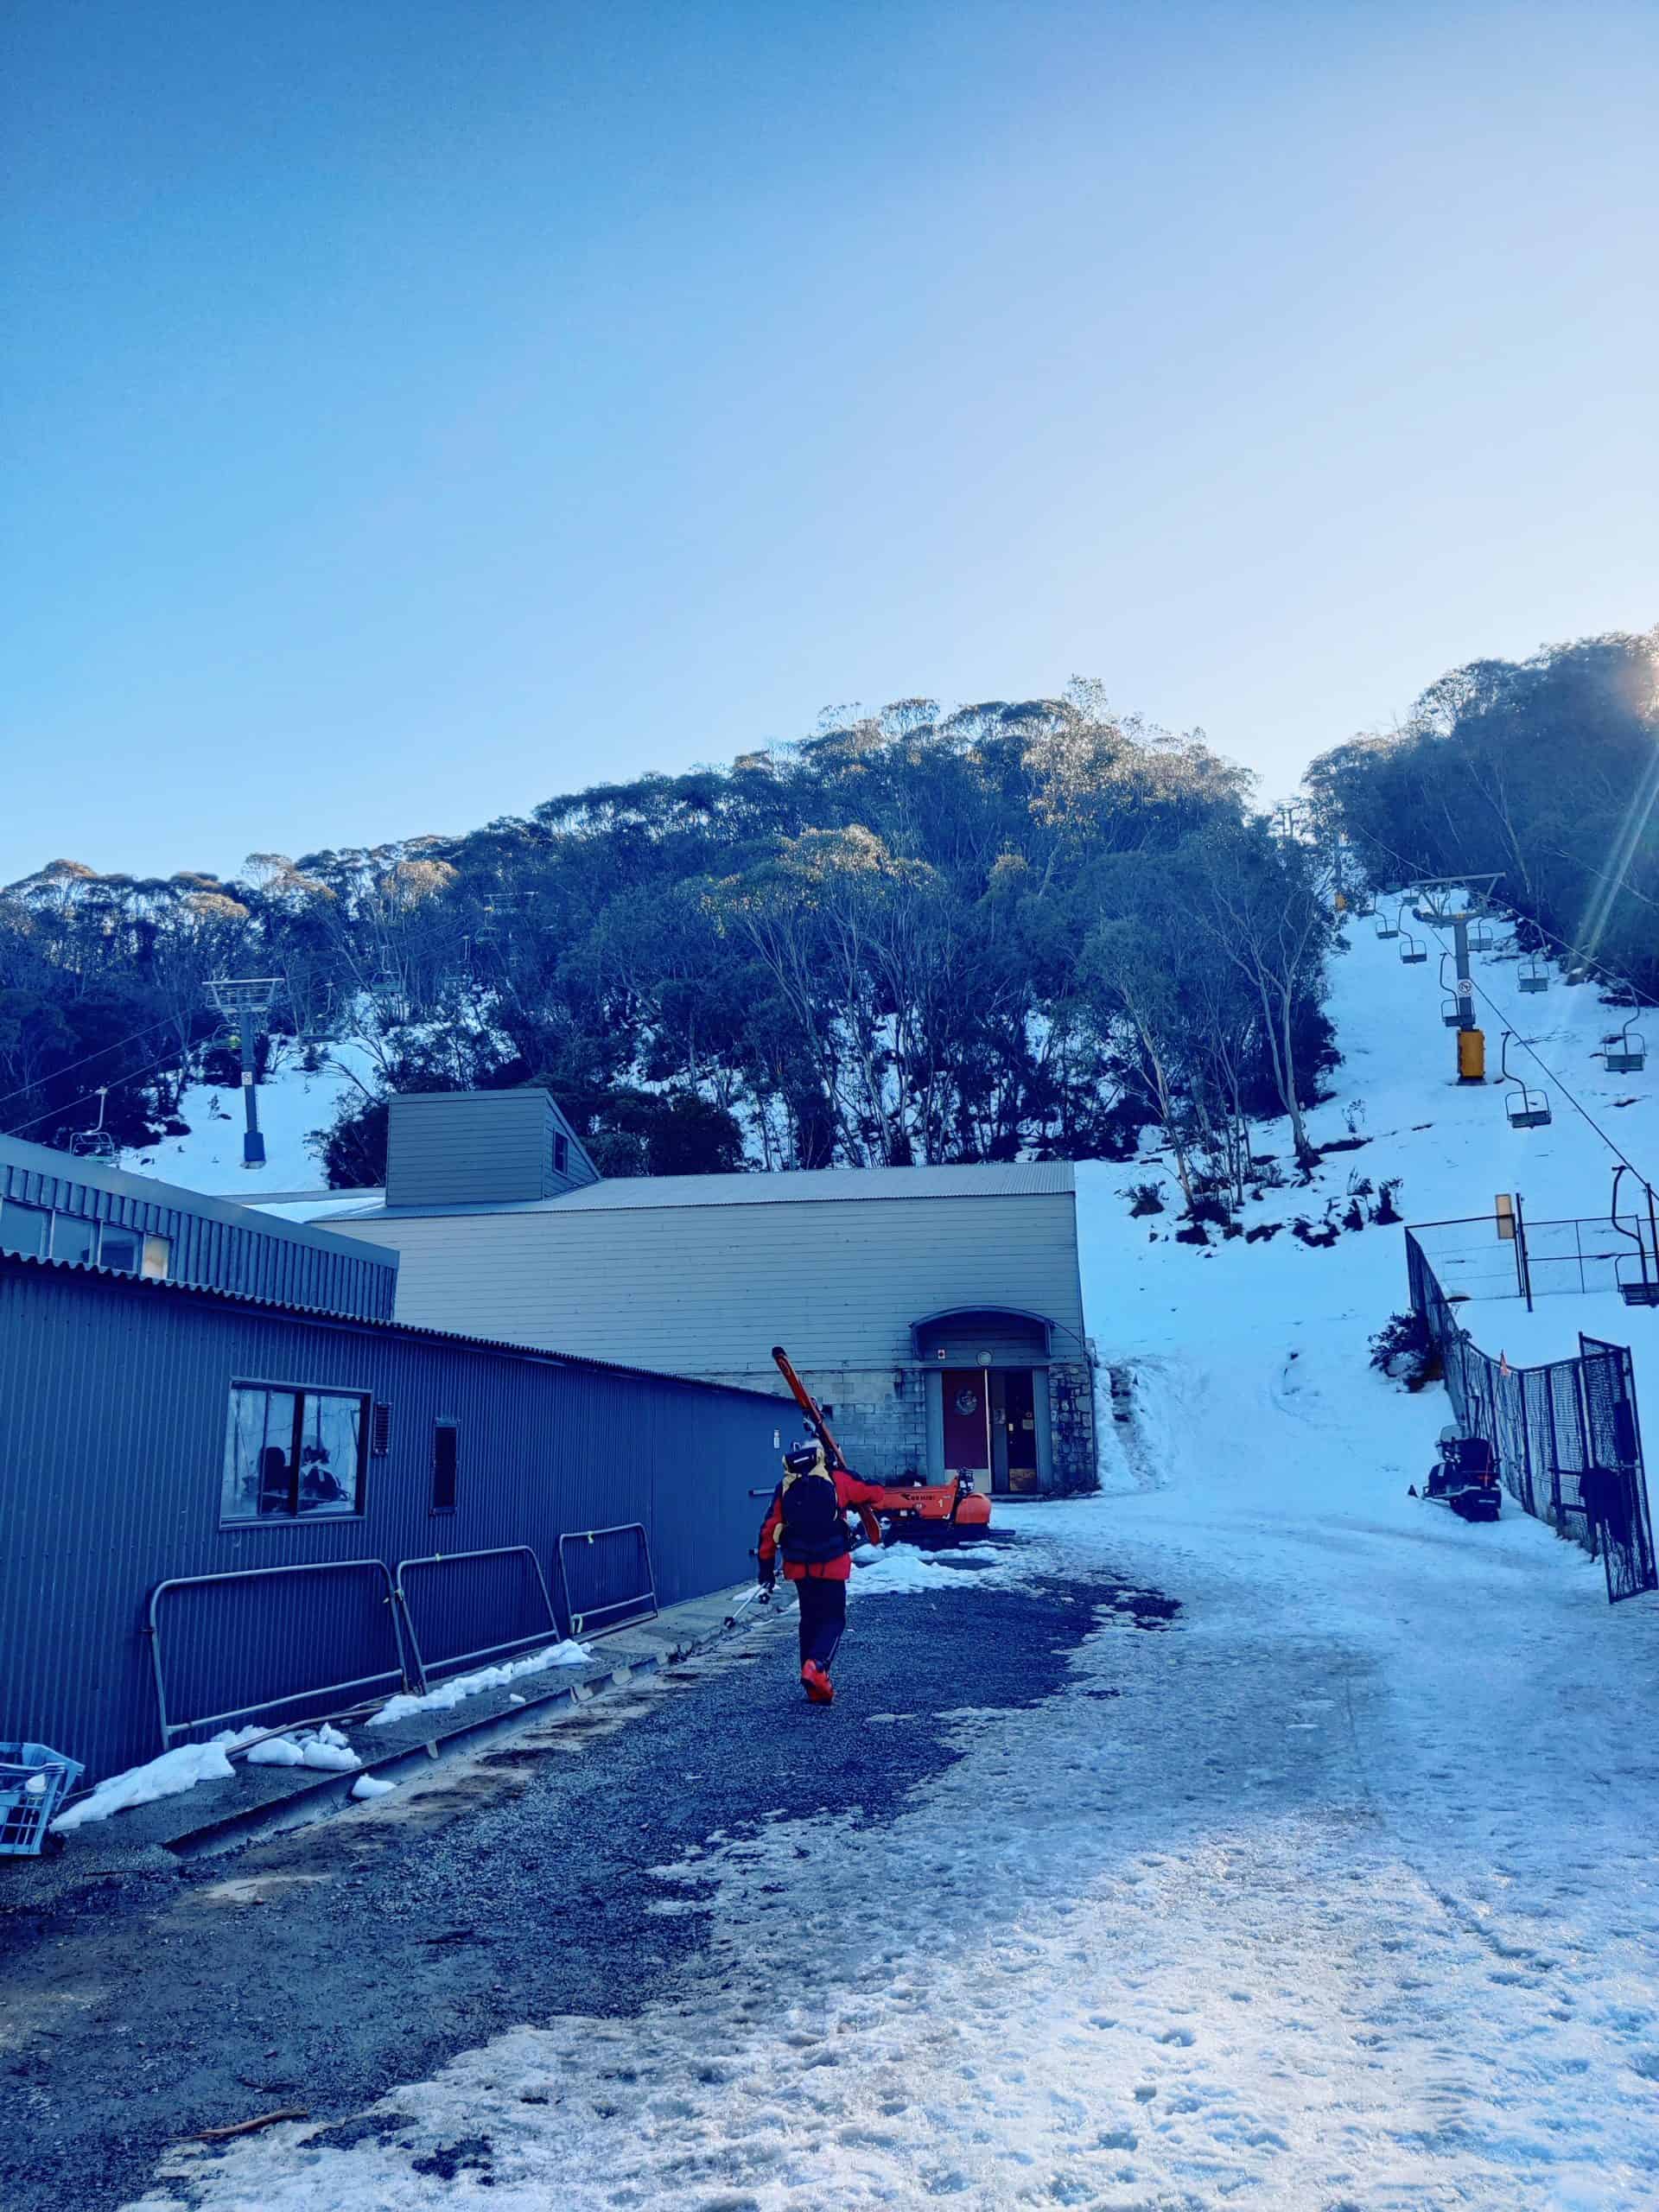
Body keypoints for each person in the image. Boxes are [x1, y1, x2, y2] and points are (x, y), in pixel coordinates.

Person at [755, 1439, 887, 1705]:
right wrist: (854, 1477)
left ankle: (811, 1683)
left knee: (810, 1620)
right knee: (834, 1620)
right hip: (832, 1564)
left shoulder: (786, 1486)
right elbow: (876, 1494)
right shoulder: (838, 1480)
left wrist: (765, 1569)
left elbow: (769, 1528)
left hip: (799, 1568)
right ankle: (816, 1667)